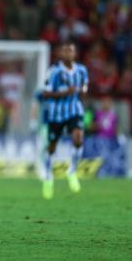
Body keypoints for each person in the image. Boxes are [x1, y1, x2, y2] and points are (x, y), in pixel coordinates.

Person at [41, 41, 89, 199]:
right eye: (65, 51)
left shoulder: (82, 70)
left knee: (78, 138)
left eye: (71, 51)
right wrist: (64, 93)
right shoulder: (54, 71)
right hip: (56, 114)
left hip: (75, 110)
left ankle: (72, 171)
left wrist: (82, 94)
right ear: (61, 53)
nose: (68, 53)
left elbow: (84, 89)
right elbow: (45, 94)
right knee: (52, 146)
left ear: (75, 53)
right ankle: (48, 176)